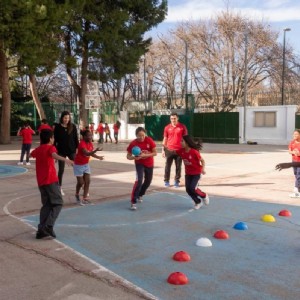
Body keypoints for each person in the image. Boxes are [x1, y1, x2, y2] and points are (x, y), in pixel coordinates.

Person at [30, 129, 73, 239]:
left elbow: (31, 154)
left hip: (41, 182)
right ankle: (48, 226)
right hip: (50, 181)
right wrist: (66, 159)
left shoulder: (39, 149)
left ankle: (41, 230)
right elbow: (53, 154)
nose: (54, 139)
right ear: (50, 139)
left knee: (47, 205)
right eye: (53, 137)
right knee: (58, 203)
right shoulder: (50, 147)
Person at [126, 127, 157, 210]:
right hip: (139, 164)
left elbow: (155, 153)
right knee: (139, 180)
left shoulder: (149, 140)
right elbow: (128, 156)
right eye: (139, 136)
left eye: (143, 135)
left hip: (149, 163)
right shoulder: (133, 144)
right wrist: (134, 158)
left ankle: (140, 194)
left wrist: (145, 155)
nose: (141, 137)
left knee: (148, 181)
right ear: (136, 135)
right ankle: (133, 201)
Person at [176, 135, 209, 209]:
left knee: (193, 188)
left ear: (187, 143)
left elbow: (202, 161)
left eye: (182, 141)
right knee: (188, 189)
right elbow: (173, 151)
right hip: (188, 174)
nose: (180, 142)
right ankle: (198, 202)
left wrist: (202, 169)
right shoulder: (181, 151)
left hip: (196, 173)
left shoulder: (194, 152)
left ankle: (204, 195)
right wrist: (166, 149)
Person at [74, 130, 104, 205]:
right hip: (78, 165)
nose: (90, 137)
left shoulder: (90, 143)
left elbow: (91, 154)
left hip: (86, 164)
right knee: (81, 182)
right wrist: (95, 151)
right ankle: (77, 194)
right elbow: (87, 153)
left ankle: (85, 198)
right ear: (84, 137)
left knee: (87, 181)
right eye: (89, 135)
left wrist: (98, 157)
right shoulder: (82, 144)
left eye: (91, 135)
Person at [53, 111, 79, 196]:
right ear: (62, 118)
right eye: (65, 118)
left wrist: (78, 149)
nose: (66, 120)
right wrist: (54, 153)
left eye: (68, 118)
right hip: (61, 151)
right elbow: (55, 141)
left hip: (71, 150)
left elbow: (76, 139)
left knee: (77, 167)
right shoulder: (57, 127)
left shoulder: (73, 126)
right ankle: (59, 187)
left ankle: (80, 184)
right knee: (61, 170)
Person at [162, 113, 188, 187]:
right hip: (169, 149)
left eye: (174, 118)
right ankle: (166, 180)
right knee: (167, 166)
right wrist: (163, 150)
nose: (173, 120)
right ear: (170, 119)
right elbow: (165, 138)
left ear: (177, 118)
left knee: (178, 167)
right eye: (172, 118)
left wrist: (186, 148)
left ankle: (177, 181)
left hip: (179, 150)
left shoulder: (182, 127)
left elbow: (185, 139)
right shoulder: (167, 127)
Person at [287, 129, 300, 198]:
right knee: (296, 174)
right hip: (294, 161)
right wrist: (293, 152)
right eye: (294, 134)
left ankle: (296, 190)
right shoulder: (292, 142)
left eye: (296, 134)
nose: (294, 135)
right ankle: (298, 189)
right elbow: (289, 151)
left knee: (298, 175)